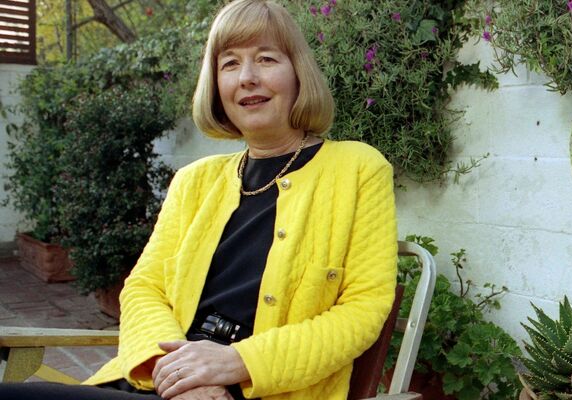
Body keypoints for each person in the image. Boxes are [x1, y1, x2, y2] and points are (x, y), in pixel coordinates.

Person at [0, 1, 397, 399]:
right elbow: (143, 289)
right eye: (229, 64)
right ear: (216, 86)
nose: (247, 77)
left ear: (298, 73)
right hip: (163, 382)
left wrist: (238, 361)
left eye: (266, 58)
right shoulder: (193, 181)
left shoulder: (357, 169)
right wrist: (180, 376)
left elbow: (363, 310)